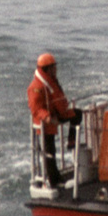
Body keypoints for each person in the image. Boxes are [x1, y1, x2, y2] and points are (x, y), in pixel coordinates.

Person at [27, 52, 79, 187]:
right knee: (49, 152)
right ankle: (54, 179)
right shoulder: (36, 87)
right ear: (47, 69)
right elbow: (36, 109)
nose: (56, 69)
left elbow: (58, 99)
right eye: (53, 67)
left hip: (57, 115)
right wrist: (48, 117)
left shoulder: (51, 81)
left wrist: (64, 110)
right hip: (45, 123)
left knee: (77, 114)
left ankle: (71, 141)